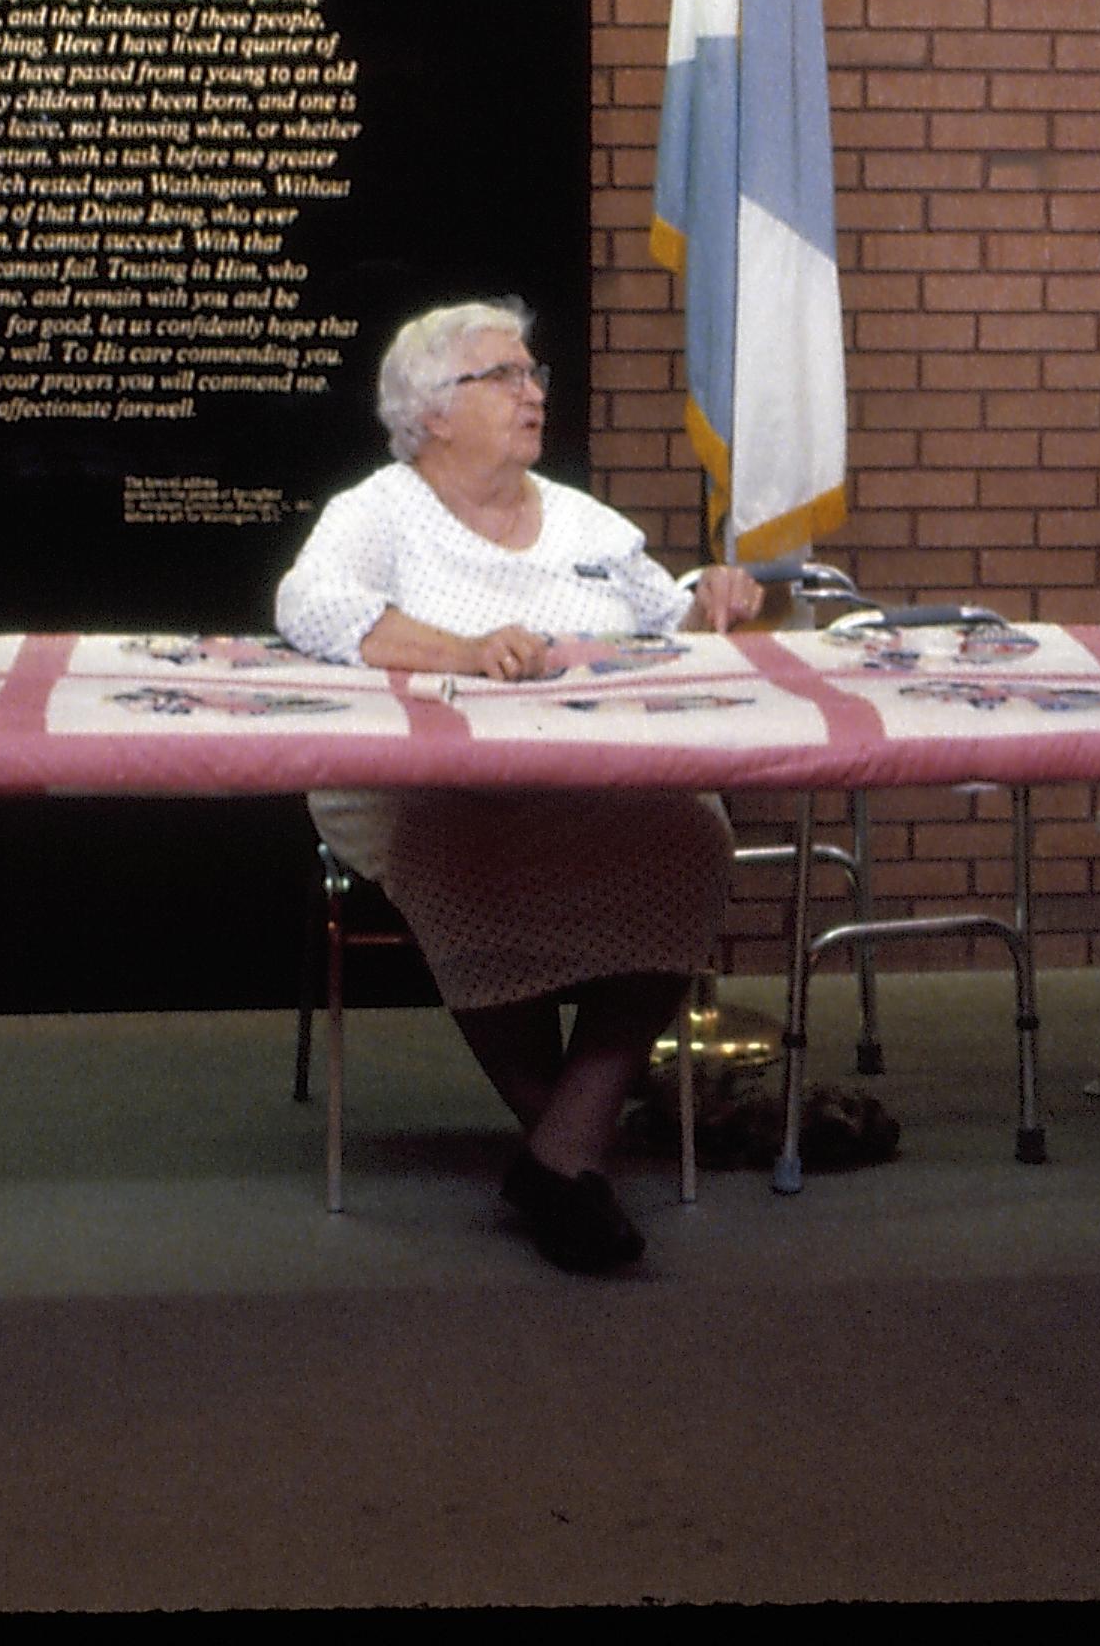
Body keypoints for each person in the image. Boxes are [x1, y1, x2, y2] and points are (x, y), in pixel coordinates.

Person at [275, 300, 764, 1273]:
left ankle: (563, 1150)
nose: (533, 390)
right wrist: (463, 650)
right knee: (458, 849)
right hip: (425, 784)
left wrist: (713, 600)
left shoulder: (581, 519)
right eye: (503, 375)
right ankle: (576, 1144)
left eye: (532, 373)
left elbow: (665, 627)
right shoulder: (377, 512)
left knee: (695, 834)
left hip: (592, 776)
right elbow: (312, 607)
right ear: (432, 409)